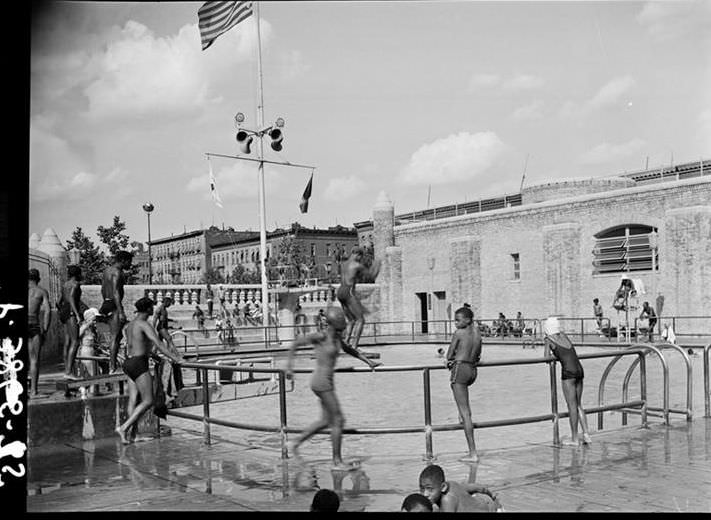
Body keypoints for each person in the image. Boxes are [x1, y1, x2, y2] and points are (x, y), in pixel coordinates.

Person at [286, 307, 373, 470]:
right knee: (338, 420)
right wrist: (289, 367)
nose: (341, 330)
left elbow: (349, 349)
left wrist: (367, 361)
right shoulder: (321, 336)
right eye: (339, 327)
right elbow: (295, 344)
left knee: (326, 421)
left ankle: (295, 443)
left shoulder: (337, 339)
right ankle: (336, 462)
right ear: (332, 325)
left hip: (326, 382)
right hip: (321, 382)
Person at [116, 297, 183, 444]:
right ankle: (124, 428)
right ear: (147, 309)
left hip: (128, 362)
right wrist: (176, 358)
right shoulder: (144, 324)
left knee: (134, 400)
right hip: (139, 364)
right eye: (151, 307)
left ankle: (133, 435)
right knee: (148, 400)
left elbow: (136, 344)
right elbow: (158, 343)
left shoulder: (130, 325)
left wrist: (153, 355)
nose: (153, 309)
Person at [543, 316, 592, 446]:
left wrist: (554, 355)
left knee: (571, 406)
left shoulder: (548, 339)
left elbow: (546, 358)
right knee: (579, 404)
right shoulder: (564, 335)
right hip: (579, 370)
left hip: (568, 373)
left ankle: (575, 439)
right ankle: (586, 434)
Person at [445, 306, 482, 462]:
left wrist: (450, 360)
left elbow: (449, 354)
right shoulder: (477, 334)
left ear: (467, 320)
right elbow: (478, 355)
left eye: (458, 320)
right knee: (464, 409)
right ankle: (460, 414)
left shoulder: (459, 333)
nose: (455, 323)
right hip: (472, 371)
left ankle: (472, 452)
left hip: (460, 369)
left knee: (466, 413)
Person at [336, 246, 382, 357]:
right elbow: (371, 276)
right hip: (348, 292)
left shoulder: (343, 264)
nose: (360, 259)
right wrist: (377, 265)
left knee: (351, 320)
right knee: (360, 320)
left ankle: (346, 343)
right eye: (360, 257)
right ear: (358, 255)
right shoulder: (357, 265)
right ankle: (355, 346)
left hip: (340, 292)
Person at [100, 250, 133, 372]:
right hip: (114, 305)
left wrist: (106, 303)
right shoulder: (118, 273)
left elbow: (103, 289)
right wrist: (120, 311)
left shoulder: (106, 271)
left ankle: (114, 363)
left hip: (106, 303)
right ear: (123, 260)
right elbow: (116, 292)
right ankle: (112, 366)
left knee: (118, 335)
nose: (130, 265)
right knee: (115, 337)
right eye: (129, 262)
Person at [418, 464, 499, 512]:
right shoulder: (452, 484)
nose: (425, 494)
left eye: (430, 489)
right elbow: (477, 487)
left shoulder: (447, 501)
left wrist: (493, 498)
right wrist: (491, 495)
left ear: (443, 487)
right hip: (483, 501)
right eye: (422, 489)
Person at [153, 296, 184, 397]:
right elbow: (155, 318)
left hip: (163, 326)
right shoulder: (160, 308)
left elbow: (165, 318)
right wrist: (152, 328)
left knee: (159, 343)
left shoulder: (164, 309)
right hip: (161, 327)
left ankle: (152, 354)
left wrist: (172, 321)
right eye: (169, 302)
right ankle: (176, 355)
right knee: (169, 339)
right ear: (166, 302)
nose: (170, 304)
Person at [28, 269, 51, 397]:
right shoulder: (41, 292)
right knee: (34, 359)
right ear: (39, 279)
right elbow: (47, 311)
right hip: (34, 325)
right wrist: (45, 329)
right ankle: (33, 391)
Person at [59, 265, 83, 379]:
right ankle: (68, 372)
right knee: (75, 342)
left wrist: (62, 311)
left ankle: (67, 370)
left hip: (64, 311)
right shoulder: (75, 284)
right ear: (77, 274)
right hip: (71, 311)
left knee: (68, 342)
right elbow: (72, 298)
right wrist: (77, 315)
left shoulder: (65, 285)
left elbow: (59, 301)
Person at [78, 308, 99, 383]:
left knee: (94, 372)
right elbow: (78, 335)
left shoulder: (92, 329)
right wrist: (86, 326)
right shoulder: (84, 327)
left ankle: (92, 390)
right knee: (89, 372)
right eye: (94, 320)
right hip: (86, 351)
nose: (95, 322)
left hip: (92, 350)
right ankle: (86, 389)